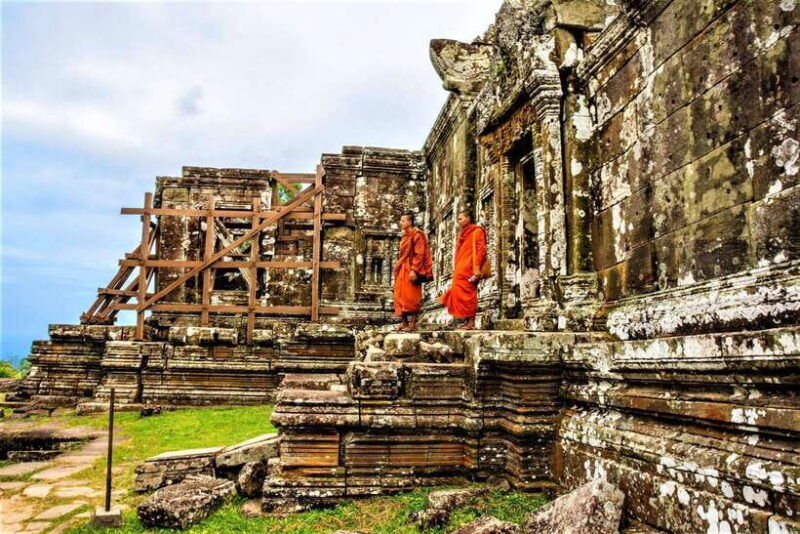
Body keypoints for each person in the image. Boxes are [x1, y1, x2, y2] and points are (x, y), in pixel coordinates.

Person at [440, 210, 486, 330]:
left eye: (461, 218)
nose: (458, 221)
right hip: (461, 268)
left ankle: (471, 322)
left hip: (471, 267)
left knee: (469, 294)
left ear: (469, 218)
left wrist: (477, 268)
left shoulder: (477, 231)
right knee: (457, 292)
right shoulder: (463, 233)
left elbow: (481, 250)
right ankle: (466, 320)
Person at [393, 212, 432, 331]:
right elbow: (402, 254)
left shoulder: (417, 234)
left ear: (410, 222)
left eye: (403, 220)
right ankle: (404, 323)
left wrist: (414, 270)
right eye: (401, 221)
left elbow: (419, 253)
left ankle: (413, 324)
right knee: (399, 295)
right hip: (402, 268)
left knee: (411, 296)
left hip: (411, 268)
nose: (401, 223)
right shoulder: (405, 236)